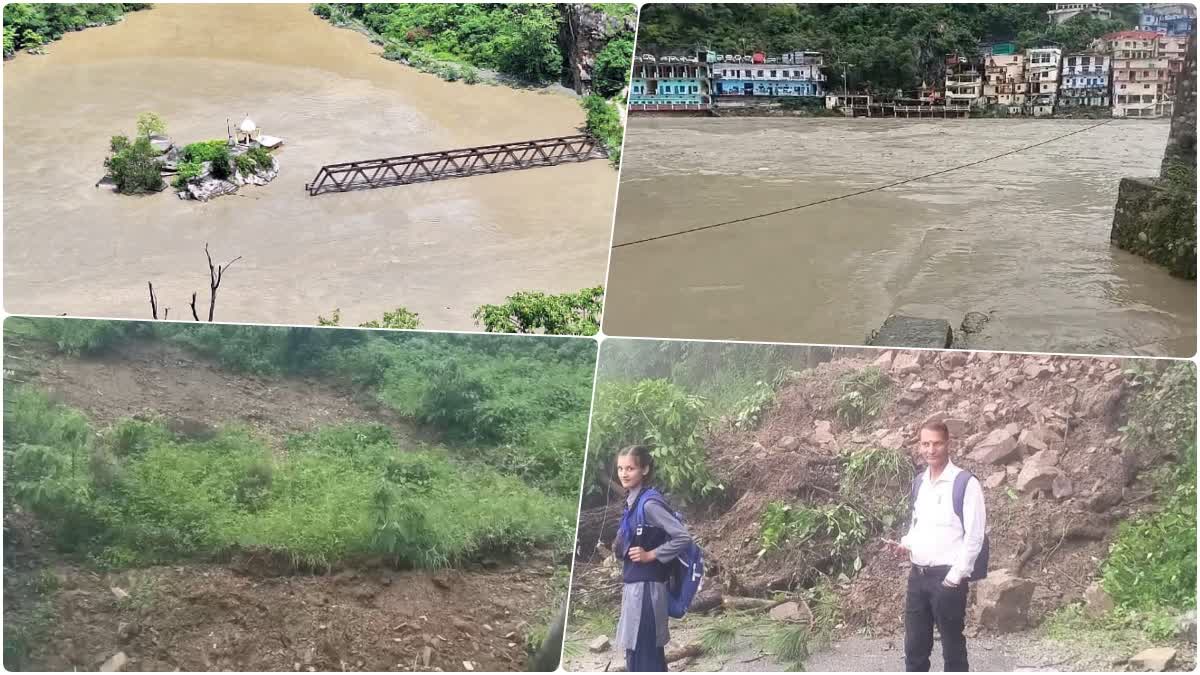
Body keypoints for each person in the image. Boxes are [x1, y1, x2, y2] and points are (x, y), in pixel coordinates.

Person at [885, 421, 986, 672]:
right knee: (914, 649)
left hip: (947, 579)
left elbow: (975, 537)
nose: (931, 450)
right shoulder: (920, 482)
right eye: (926, 444)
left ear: (948, 444)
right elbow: (918, 525)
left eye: (937, 443)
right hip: (917, 578)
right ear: (920, 445)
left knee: (952, 648)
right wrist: (905, 544)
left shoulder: (965, 483)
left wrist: (954, 579)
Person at [611, 445, 692, 672]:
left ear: (644, 469)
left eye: (631, 468)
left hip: (647, 592)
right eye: (620, 468)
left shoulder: (649, 504)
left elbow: (682, 537)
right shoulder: (632, 502)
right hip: (635, 589)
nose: (624, 474)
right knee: (637, 653)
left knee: (645, 655)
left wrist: (651, 555)